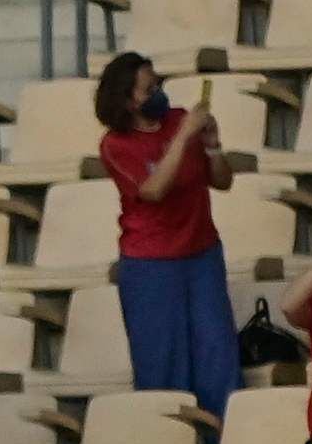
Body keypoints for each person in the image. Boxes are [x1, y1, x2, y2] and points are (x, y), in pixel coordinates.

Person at [96, 49, 238, 412]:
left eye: (156, 83)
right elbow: (153, 190)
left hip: (202, 255)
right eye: (147, 89)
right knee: (163, 367)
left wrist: (213, 147)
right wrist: (182, 137)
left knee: (217, 359)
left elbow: (223, 182)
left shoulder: (179, 120)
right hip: (151, 267)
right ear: (127, 101)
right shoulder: (116, 145)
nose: (157, 93)